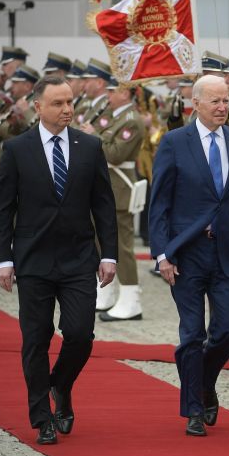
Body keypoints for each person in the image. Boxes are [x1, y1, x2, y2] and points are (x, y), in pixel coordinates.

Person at [0, 76, 117, 445]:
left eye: (70, 103)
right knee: (35, 339)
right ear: (38, 107)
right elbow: (3, 210)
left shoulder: (90, 146)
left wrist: (108, 254)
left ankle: (60, 386)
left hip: (79, 259)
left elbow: (104, 206)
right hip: (33, 261)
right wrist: (3, 260)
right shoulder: (17, 149)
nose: (67, 110)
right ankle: (42, 417)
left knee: (80, 335)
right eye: (58, 104)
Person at [149, 75, 229, 436]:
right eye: (215, 101)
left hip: (227, 252)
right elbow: (159, 203)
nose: (223, 107)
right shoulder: (174, 143)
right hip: (187, 254)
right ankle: (194, 409)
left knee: (228, 330)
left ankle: (203, 382)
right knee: (192, 334)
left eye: (226, 100)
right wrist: (162, 254)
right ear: (195, 104)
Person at [94, 78, 145, 321]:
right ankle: (108, 291)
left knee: (122, 247)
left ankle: (131, 298)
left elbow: (115, 154)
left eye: (113, 91)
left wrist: (94, 136)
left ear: (125, 93)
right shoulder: (116, 116)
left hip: (121, 189)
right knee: (102, 241)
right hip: (109, 186)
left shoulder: (131, 121)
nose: (109, 95)